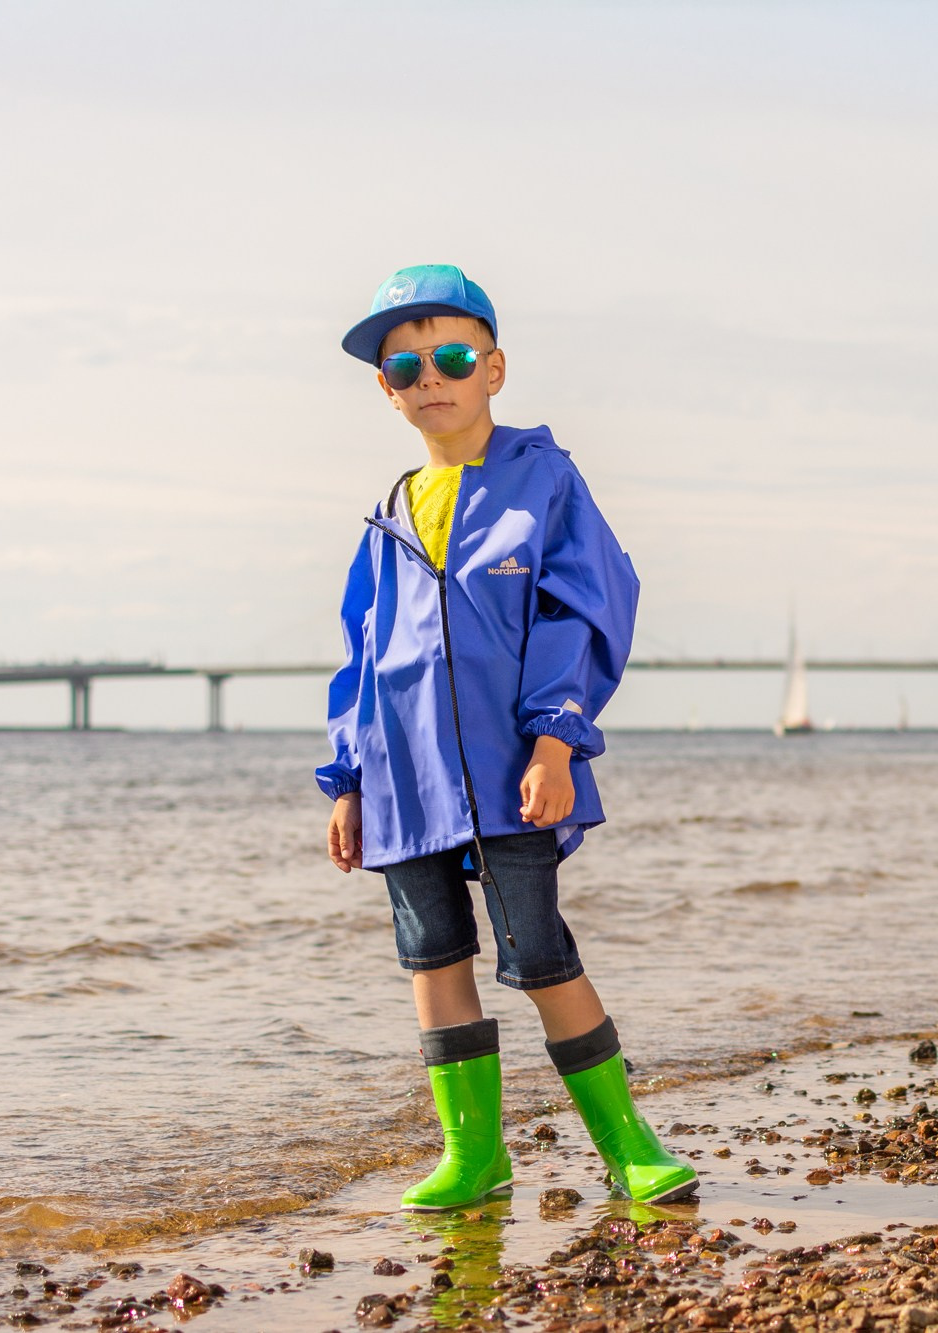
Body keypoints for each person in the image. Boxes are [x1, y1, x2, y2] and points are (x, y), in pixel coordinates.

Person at [316, 263, 696, 1210]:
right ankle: (473, 1153)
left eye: (448, 357)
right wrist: (349, 779)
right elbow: (365, 653)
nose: (427, 378)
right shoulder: (387, 513)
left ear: (492, 368)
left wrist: (556, 740)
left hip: (509, 764)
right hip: (403, 778)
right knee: (433, 954)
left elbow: (584, 604)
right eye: (404, 369)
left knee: (539, 949)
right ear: (386, 391)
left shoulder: (543, 479)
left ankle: (628, 1144)